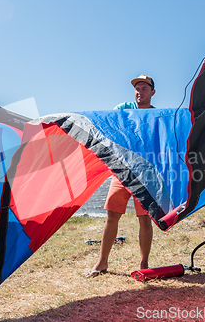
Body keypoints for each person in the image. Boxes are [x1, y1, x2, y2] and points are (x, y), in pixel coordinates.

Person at [86, 74, 155, 277]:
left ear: (152, 92)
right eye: (137, 88)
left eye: (144, 88)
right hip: (122, 171)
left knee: (144, 220)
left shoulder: (157, 115)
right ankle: (101, 263)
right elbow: (108, 124)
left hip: (146, 174)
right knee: (112, 215)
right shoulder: (123, 108)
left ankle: (144, 265)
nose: (139, 92)